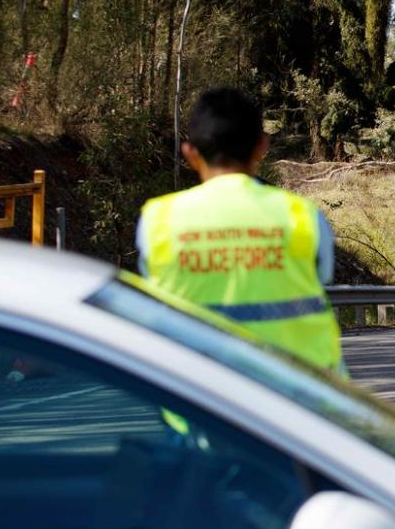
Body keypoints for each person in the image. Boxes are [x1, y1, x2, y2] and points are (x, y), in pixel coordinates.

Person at [136, 88, 344, 374]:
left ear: (190, 153)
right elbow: (321, 278)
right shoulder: (302, 216)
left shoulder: (158, 221)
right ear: (261, 147)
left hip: (199, 402)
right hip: (300, 401)